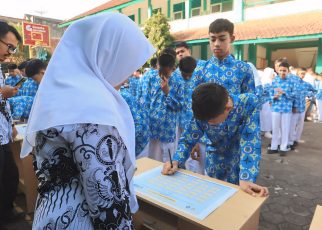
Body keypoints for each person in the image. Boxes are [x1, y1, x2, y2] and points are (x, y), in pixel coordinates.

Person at [20, 13, 155, 229]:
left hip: (50, 214)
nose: (128, 75)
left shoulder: (61, 94)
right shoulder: (93, 109)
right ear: (107, 56)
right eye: (126, 64)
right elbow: (105, 201)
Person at [162, 83, 268, 197]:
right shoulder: (205, 107)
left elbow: (251, 140)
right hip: (215, 161)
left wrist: (247, 177)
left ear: (227, 109)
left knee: (239, 200)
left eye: (211, 122)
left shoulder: (248, 103)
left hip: (241, 162)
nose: (206, 124)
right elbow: (188, 138)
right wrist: (176, 160)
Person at [142, 52, 184, 162]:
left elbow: (180, 105)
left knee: (167, 162)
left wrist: (168, 93)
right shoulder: (150, 77)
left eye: (166, 72)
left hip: (168, 130)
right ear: (157, 66)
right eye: (160, 70)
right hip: (153, 128)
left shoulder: (178, 81)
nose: (162, 75)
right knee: (152, 162)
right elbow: (145, 102)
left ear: (173, 68)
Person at [0, 20, 22, 226]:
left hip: (3, 134)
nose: (11, 52)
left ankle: (5, 214)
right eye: (9, 46)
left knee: (10, 178)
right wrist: (1, 93)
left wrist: (11, 124)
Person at [201, 18, 255, 95]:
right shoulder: (201, 69)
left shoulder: (244, 68)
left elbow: (251, 99)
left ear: (231, 39)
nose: (216, 44)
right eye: (213, 39)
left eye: (222, 39)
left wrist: (233, 101)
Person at [268, 62, 295, 156]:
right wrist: (273, 97)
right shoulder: (274, 80)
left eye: (284, 70)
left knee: (285, 128)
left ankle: (283, 147)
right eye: (280, 70)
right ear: (277, 70)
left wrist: (284, 92)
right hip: (276, 107)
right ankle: (274, 146)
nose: (282, 72)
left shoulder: (292, 82)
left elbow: (294, 95)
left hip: (286, 109)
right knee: (275, 128)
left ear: (288, 71)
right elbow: (270, 93)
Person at [288, 68, 316, 148]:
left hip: (302, 107)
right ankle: (290, 141)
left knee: (300, 125)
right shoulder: (292, 83)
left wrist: (309, 94)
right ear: (297, 74)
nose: (302, 75)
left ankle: (296, 140)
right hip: (294, 108)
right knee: (292, 125)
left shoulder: (306, 84)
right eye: (301, 73)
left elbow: (314, 91)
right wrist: (293, 105)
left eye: (304, 73)